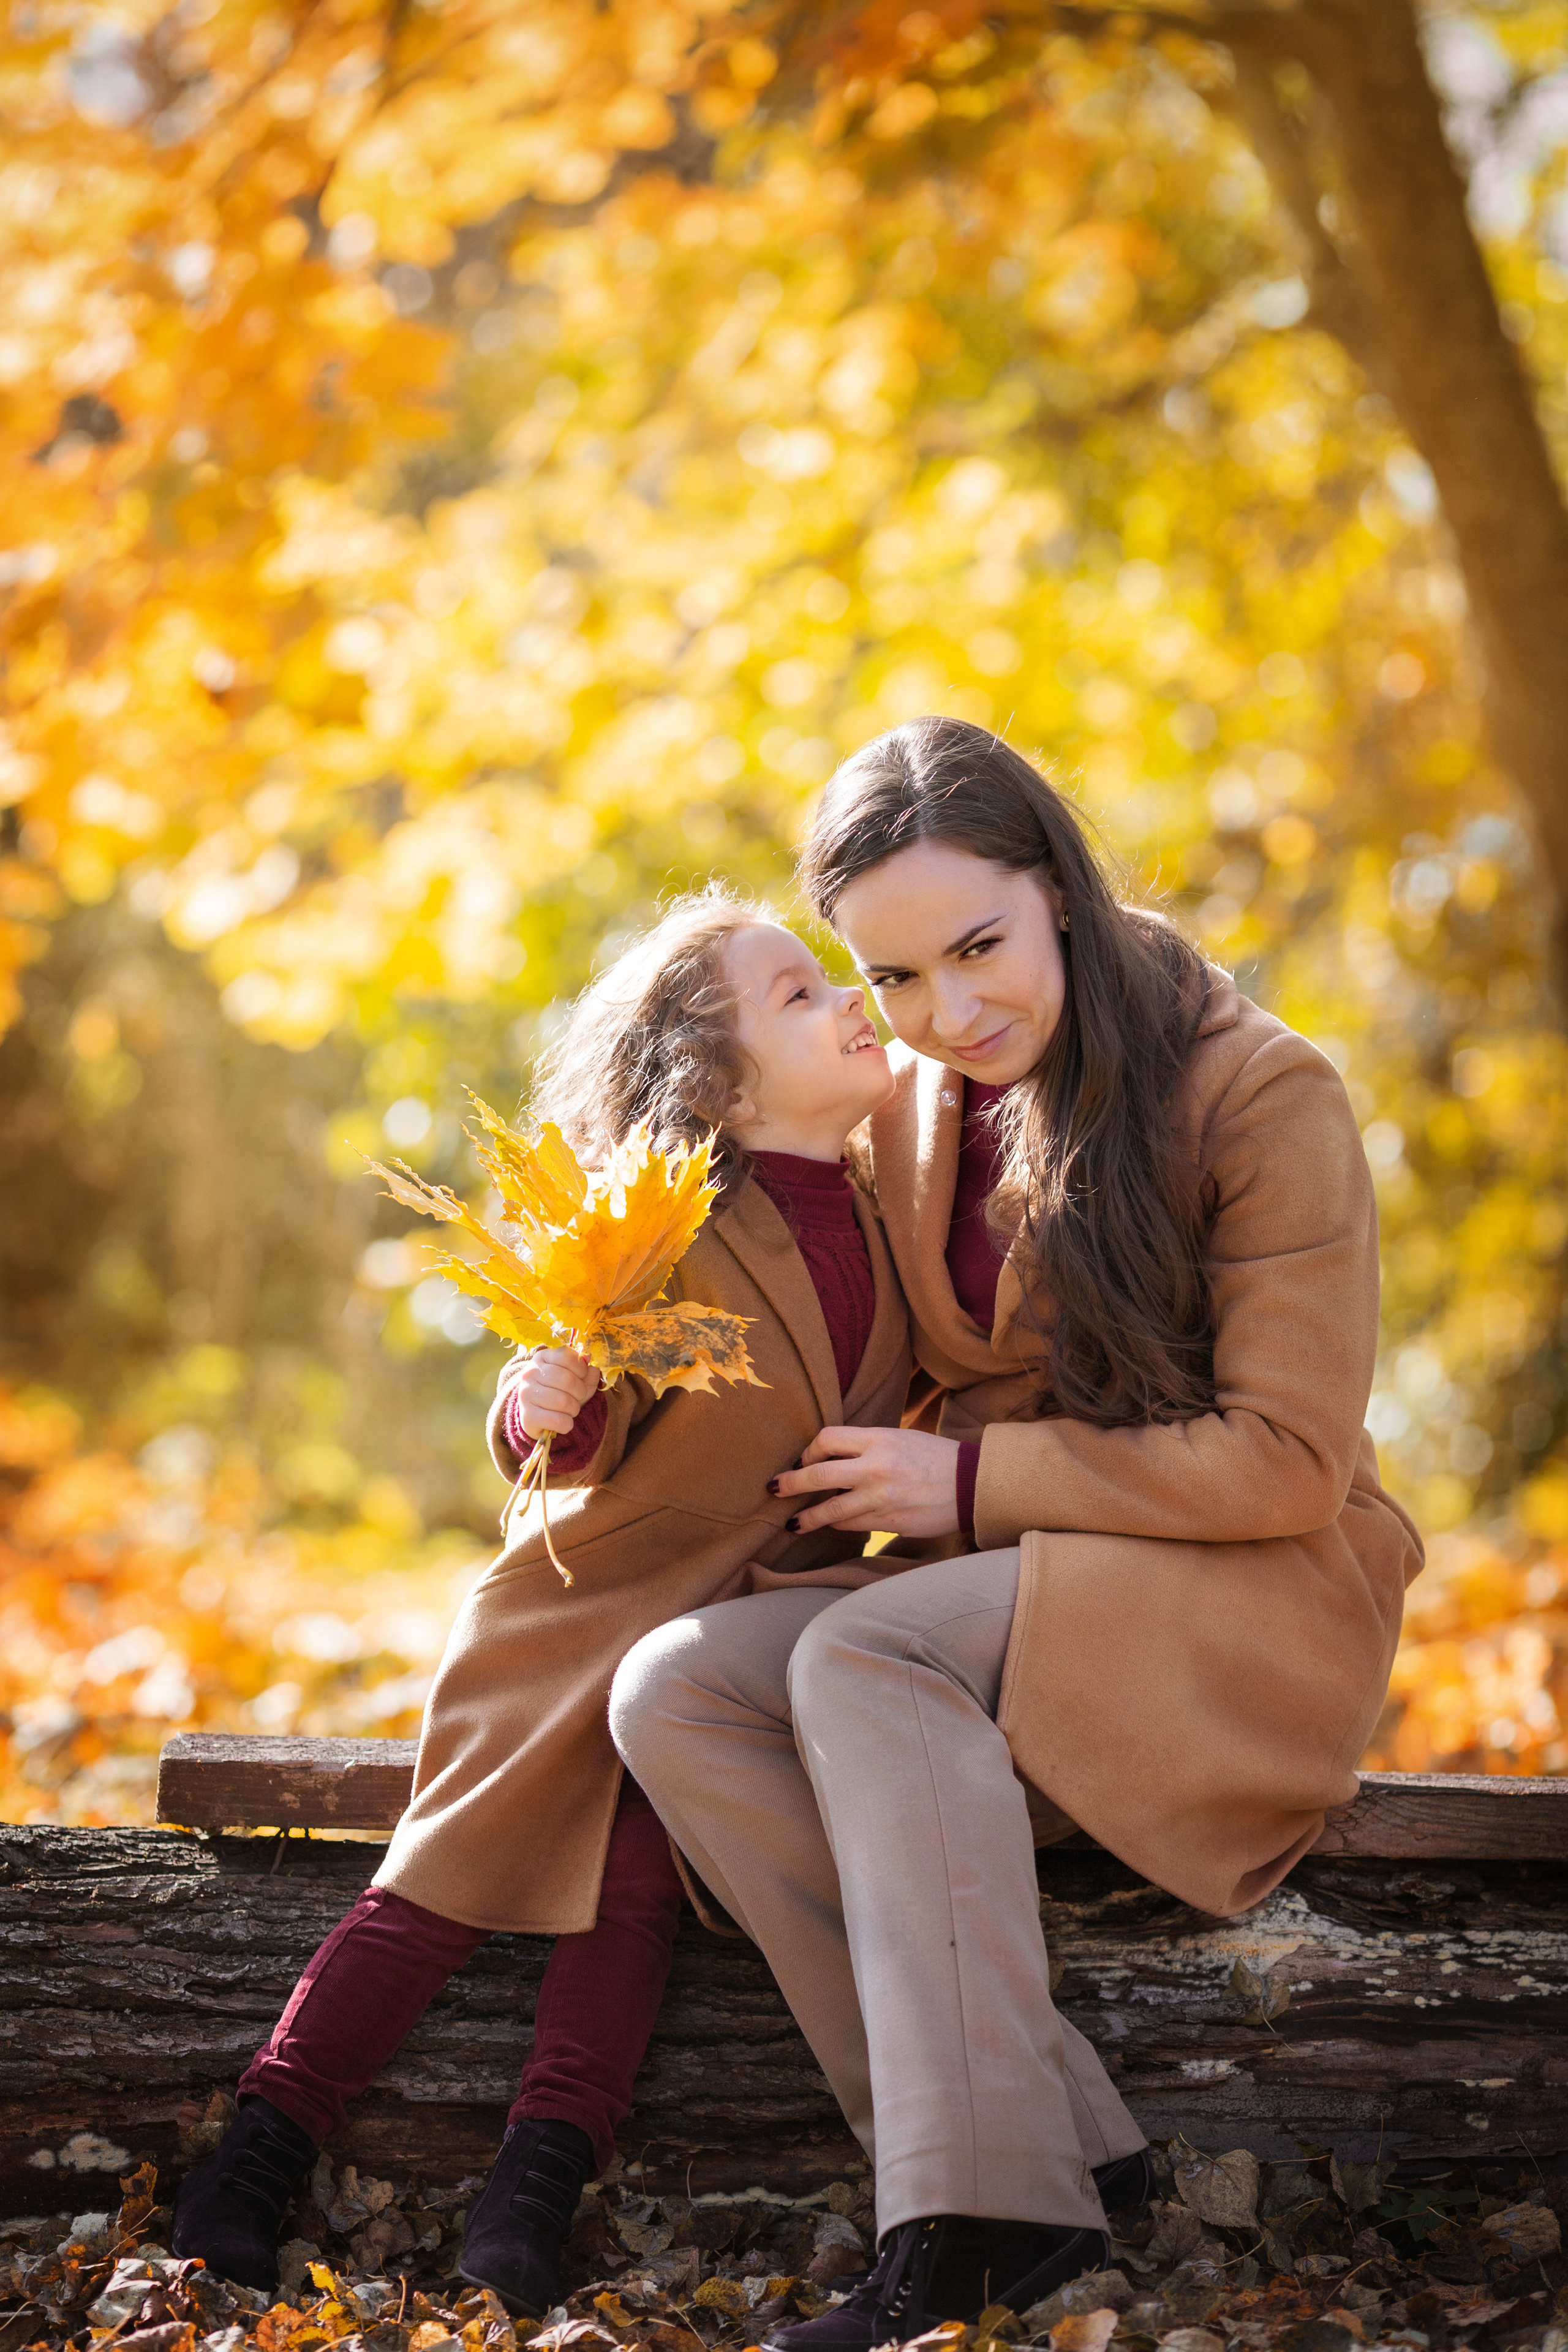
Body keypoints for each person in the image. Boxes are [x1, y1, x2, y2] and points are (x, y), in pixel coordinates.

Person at [610, 718, 1425, 2352]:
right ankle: (1046, 2142)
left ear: (1057, 884)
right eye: (893, 976)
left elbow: (1284, 1460)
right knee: (674, 1690)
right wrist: (584, 1372)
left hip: (1245, 1603)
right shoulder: (911, 1104)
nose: (947, 1014)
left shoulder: (1259, 1092)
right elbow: (782, 1285)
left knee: (865, 1650)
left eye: (978, 947)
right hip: (998, 1604)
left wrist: (973, 1487)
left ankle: (977, 2214)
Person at [172, 888, 916, 2313]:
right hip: (588, 1604)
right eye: (798, 995)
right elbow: (574, 1407)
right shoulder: (665, 1225)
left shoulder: (893, 1221)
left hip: (742, 1633)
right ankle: (255, 2155)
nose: (849, 1002)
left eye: (833, 980)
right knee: (437, 1885)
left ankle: (535, 2184)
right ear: (722, 1087)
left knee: (633, 1894)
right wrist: (542, 1408)